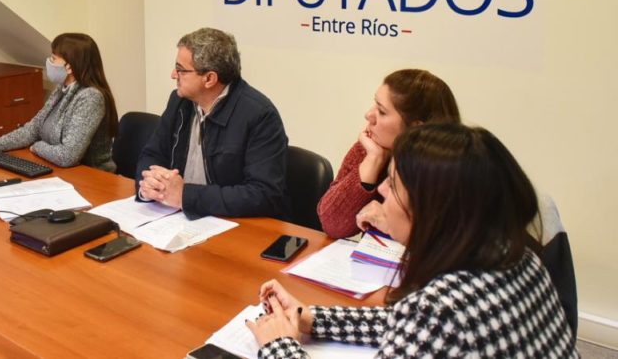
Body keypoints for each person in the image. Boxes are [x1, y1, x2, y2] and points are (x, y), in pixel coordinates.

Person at [247, 123, 577, 358]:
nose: (382, 190)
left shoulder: (439, 310)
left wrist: (279, 345)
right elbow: (404, 321)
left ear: (429, 210)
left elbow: (426, 320)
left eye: (392, 184)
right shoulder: (518, 258)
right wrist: (312, 317)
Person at [135, 27, 289, 219]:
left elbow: (263, 194)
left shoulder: (260, 116)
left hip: (230, 223)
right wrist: (151, 185)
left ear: (209, 79)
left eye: (181, 70)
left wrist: (185, 196)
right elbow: (152, 154)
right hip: (177, 216)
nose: (173, 75)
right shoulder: (180, 101)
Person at [0, 33, 119, 171]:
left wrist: (37, 147)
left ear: (70, 67)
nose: (49, 62)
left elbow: (67, 156)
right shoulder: (62, 89)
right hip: (63, 173)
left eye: (53, 58)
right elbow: (31, 130)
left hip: (93, 178)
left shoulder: (90, 97)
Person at [317, 69, 459, 239]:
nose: (368, 115)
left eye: (382, 111)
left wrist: (397, 227)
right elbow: (332, 225)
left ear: (415, 129)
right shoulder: (370, 148)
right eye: (375, 104)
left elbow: (452, 244)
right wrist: (373, 160)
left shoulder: (450, 169)